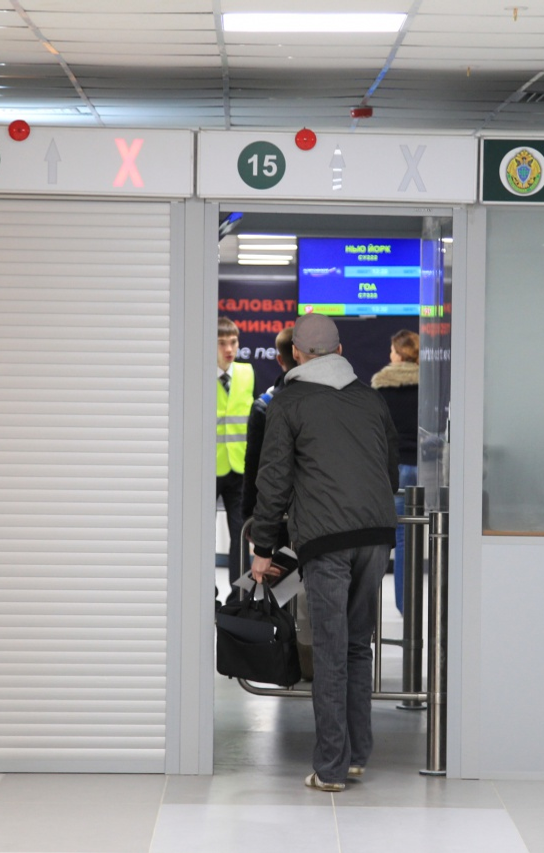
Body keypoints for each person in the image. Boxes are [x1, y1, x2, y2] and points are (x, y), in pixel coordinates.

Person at [250, 313, 399, 792]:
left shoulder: (288, 402)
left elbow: (274, 480)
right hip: (375, 534)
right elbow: (389, 471)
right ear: (339, 351)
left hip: (325, 539)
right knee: (357, 646)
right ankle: (356, 757)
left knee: (331, 650)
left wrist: (263, 547)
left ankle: (332, 767)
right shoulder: (370, 398)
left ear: (296, 354)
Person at [370, 329, 420, 614]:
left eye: (392, 351)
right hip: (426, 468)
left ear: (400, 355)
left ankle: (396, 606)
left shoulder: (381, 388)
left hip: (393, 469)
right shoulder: (430, 386)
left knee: (392, 537)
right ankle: (411, 607)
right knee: (416, 537)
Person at [216, 316, 254, 601]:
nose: (229, 349)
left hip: (239, 468)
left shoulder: (247, 372)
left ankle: (239, 599)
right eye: (221, 343)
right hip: (207, 468)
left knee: (241, 534)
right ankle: (205, 595)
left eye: (233, 342)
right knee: (199, 536)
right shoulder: (197, 373)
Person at [242, 325, 295, 522]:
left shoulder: (265, 406)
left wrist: (249, 515)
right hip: (321, 513)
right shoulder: (329, 401)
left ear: (280, 359)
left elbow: (254, 466)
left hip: (276, 512)